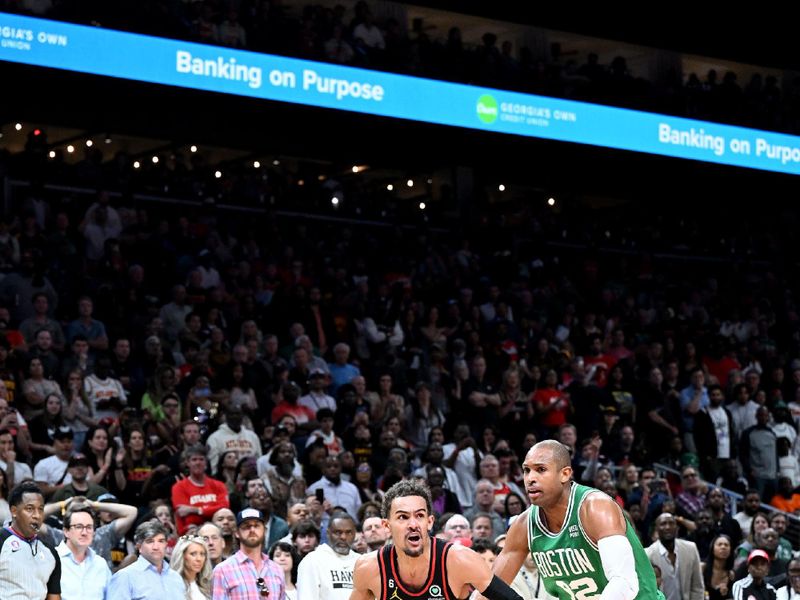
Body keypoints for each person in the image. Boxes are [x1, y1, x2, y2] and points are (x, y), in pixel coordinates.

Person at [492, 439, 662, 599]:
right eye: (526, 470)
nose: (530, 478)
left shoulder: (595, 507)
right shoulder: (523, 525)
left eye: (541, 469)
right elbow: (490, 589)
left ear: (565, 474)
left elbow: (624, 582)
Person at [349, 479, 524, 600]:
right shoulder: (369, 567)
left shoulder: (460, 559)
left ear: (430, 522)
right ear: (387, 526)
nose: (413, 524)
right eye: (403, 517)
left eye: (419, 515)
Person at [0, 482, 61, 600]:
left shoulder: (51, 552)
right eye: (30, 509)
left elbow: (54, 597)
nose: (37, 515)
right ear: (14, 511)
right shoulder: (1, 540)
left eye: (41, 509)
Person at [211, 508, 286, 600]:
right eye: (246, 526)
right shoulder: (222, 570)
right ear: (237, 533)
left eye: (257, 525)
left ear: (265, 531)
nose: (252, 530)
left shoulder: (277, 569)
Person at [109, 519, 185, 598]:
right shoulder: (125, 576)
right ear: (139, 547)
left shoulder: (176, 577)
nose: (156, 547)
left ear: (166, 544)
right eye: (150, 541)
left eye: (161, 541)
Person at [298, 512, 359, 600]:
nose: (343, 537)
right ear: (328, 533)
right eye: (338, 532)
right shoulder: (313, 560)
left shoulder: (362, 561)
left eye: (349, 532)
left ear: (354, 534)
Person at [56, 504, 111, 600]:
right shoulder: (52, 559)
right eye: (78, 527)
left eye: (89, 527)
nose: (84, 532)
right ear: (66, 532)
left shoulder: (100, 564)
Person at [171, 445, 230, 534]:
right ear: (187, 463)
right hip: (191, 534)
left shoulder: (219, 485)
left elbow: (223, 509)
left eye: (201, 459)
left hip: (218, 532)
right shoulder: (178, 487)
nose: (198, 463)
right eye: (194, 460)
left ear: (206, 462)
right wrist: (211, 510)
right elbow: (185, 516)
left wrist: (196, 510)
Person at [645, 513, 704, 600]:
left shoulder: (691, 549)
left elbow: (697, 586)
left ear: (677, 527)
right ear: (656, 529)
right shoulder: (648, 554)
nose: (668, 527)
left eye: (671, 523)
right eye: (663, 524)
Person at [170, 533, 213, 600]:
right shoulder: (172, 585)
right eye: (193, 554)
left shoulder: (207, 585)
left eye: (202, 554)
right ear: (182, 556)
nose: (199, 559)